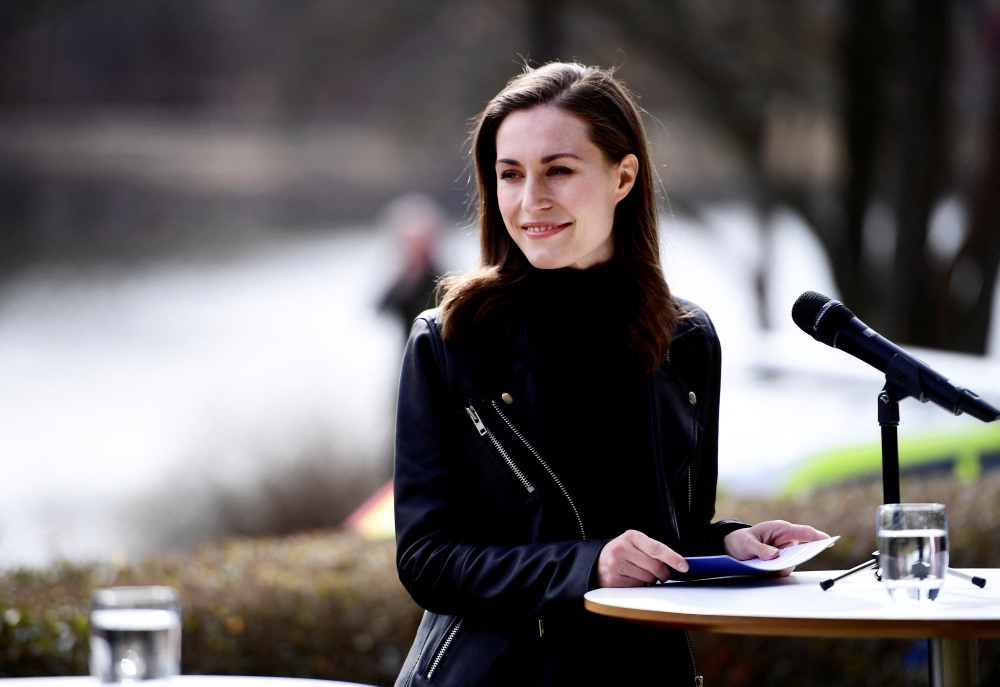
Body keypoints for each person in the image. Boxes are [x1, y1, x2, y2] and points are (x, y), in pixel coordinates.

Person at [392, 62, 827, 687]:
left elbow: (670, 533)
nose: (530, 199)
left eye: (559, 170)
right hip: (497, 674)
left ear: (624, 176)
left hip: (642, 671)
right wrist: (587, 565)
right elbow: (427, 559)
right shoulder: (451, 340)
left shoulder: (686, 339)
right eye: (510, 174)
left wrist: (733, 547)